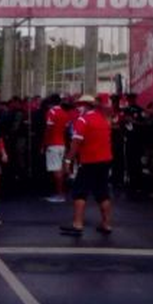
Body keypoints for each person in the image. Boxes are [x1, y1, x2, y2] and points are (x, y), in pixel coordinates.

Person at [60, 95, 113, 238]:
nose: (78, 107)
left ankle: (77, 224)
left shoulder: (83, 120)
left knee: (79, 192)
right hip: (105, 160)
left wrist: (67, 161)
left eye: (81, 104)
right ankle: (106, 224)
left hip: (89, 161)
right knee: (102, 193)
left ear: (88, 105)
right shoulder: (103, 120)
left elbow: (76, 143)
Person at [42, 94, 69, 203]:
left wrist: (44, 143)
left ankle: (60, 194)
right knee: (60, 169)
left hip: (53, 144)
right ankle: (61, 192)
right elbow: (66, 130)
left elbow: (48, 130)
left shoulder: (51, 112)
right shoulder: (64, 113)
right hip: (62, 143)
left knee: (56, 170)